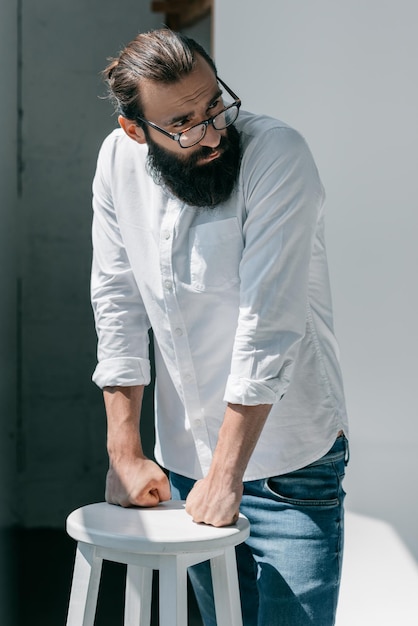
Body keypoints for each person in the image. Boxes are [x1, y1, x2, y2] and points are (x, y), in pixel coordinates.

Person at [91, 28, 349, 626]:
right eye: (183, 125)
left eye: (215, 106)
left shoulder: (277, 153)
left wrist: (226, 475)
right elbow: (117, 300)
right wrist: (123, 451)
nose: (211, 133)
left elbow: (269, 322)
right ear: (136, 130)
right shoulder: (116, 160)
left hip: (291, 465)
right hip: (185, 458)